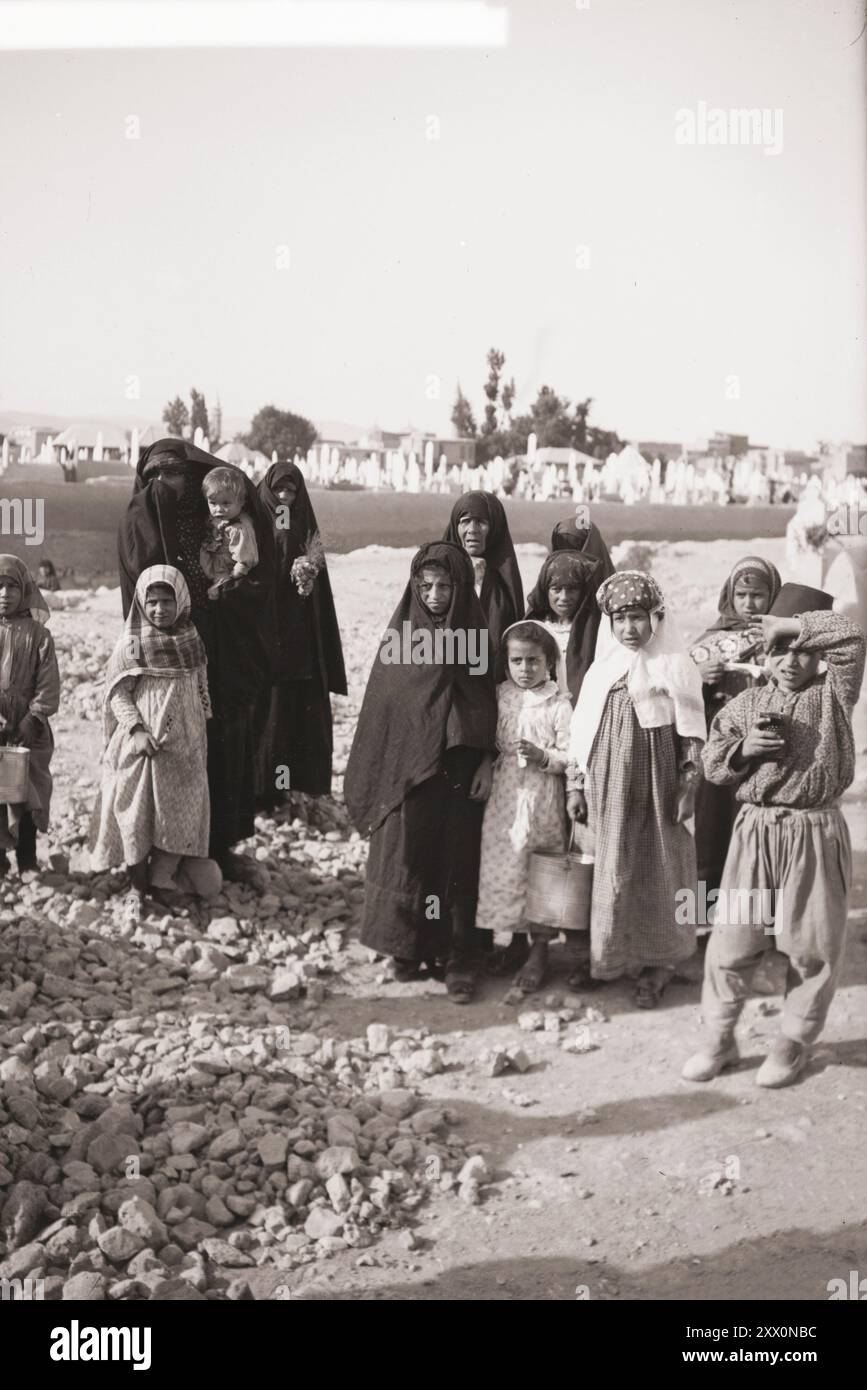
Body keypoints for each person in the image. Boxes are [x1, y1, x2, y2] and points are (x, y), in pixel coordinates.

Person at [683, 584, 866, 1088]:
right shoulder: (746, 705)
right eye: (781, 649)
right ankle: (719, 1039)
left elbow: (852, 636)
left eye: (804, 650)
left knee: (812, 948)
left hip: (813, 832)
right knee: (731, 945)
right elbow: (714, 765)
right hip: (755, 834)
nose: (791, 660)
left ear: (820, 656)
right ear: (765, 652)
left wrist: (789, 627)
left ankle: (792, 1045)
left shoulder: (835, 694)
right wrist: (744, 751)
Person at [344, 541, 497, 1002]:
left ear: (460, 588)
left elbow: (486, 704)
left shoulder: (474, 639)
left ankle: (459, 958)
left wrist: (488, 760)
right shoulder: (401, 639)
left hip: (458, 771)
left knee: (456, 864)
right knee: (409, 857)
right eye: (425, 586)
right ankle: (407, 948)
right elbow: (386, 707)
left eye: (445, 587)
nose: (434, 595)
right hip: (410, 772)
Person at [117, 438, 274, 879]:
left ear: (190, 480)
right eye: (155, 477)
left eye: (174, 475)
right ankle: (151, 861)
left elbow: (253, 580)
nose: (165, 485)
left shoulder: (215, 520)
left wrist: (226, 599)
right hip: (163, 668)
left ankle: (216, 846)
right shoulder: (139, 520)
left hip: (219, 662)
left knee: (221, 749)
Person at [566, 572, 706, 1007]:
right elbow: (581, 733)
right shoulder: (601, 671)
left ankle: (661, 962)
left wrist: (688, 783)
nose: (630, 628)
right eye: (621, 619)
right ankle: (609, 957)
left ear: (656, 619)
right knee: (612, 866)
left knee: (661, 866)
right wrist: (576, 785)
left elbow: (691, 734)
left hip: (659, 787)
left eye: (639, 618)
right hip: (609, 786)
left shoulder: (675, 667)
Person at [89, 565, 217, 921]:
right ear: (141, 602)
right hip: (143, 749)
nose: (160, 609)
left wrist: (200, 717)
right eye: (153, 601)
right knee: (136, 814)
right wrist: (136, 729)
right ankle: (136, 884)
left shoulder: (191, 639)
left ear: (182, 601)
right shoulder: (132, 643)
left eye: (167, 601)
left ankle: (163, 880)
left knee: (178, 815)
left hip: (185, 749)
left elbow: (200, 682)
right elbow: (117, 694)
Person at [475, 620, 572, 994]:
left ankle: (540, 950)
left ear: (549, 662)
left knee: (542, 867)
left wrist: (544, 756)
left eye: (534, 661)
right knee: (508, 867)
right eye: (517, 661)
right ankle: (515, 943)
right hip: (504, 796)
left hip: (542, 795)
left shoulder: (558, 703)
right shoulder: (501, 695)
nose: (525, 670)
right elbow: (488, 738)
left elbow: (570, 753)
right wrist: (487, 763)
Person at [254, 462, 346, 808]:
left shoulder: (302, 525)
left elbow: (315, 582)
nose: (283, 498)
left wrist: (306, 573)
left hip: (296, 640)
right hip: (263, 639)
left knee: (289, 713)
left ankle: (285, 785)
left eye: (290, 492)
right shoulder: (256, 524)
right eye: (278, 490)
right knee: (268, 714)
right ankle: (264, 788)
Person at [690, 556, 781, 894]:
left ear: (773, 595)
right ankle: (705, 925)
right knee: (713, 827)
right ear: (729, 595)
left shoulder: (781, 639)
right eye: (741, 596)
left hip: (765, 748)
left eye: (757, 595)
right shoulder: (711, 640)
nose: (748, 604)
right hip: (721, 750)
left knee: (758, 829)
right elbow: (679, 691)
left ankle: (759, 926)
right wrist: (698, 677)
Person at [0, 556, 60, 875]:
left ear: (25, 590)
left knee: (27, 791)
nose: (4, 593)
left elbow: (49, 682)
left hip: (29, 729)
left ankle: (27, 858)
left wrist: (32, 717)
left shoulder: (39, 635)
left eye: (11, 586)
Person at [442, 491, 523, 654]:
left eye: (481, 522)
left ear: (495, 527)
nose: (473, 529)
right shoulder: (439, 576)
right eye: (465, 522)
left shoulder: (506, 585)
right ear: (455, 526)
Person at [524, 549, 604, 705]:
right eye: (556, 589)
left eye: (572, 589)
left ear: (584, 592)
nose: (564, 597)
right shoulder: (535, 627)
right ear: (545, 590)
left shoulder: (595, 630)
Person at [199, 466, 259, 598]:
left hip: (226, 575)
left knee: (217, 600)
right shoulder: (214, 520)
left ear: (241, 502)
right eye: (213, 503)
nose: (218, 509)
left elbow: (244, 561)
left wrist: (228, 580)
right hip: (209, 569)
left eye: (226, 503)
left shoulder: (239, 529)